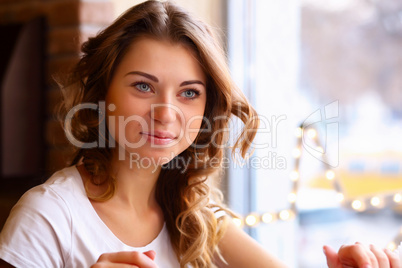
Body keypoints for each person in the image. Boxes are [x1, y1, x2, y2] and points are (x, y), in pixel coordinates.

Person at [0, 1, 400, 268]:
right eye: (143, 86)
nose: (166, 114)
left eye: (189, 93)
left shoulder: (193, 215)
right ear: (104, 95)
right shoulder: (48, 217)